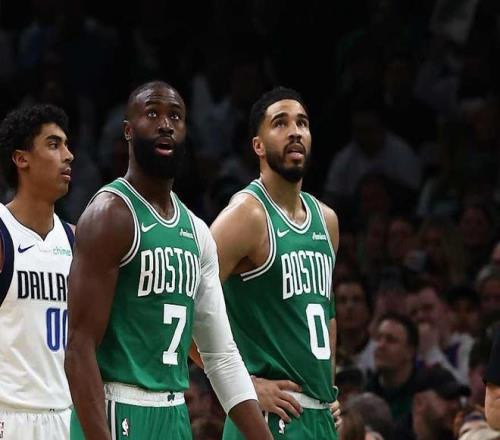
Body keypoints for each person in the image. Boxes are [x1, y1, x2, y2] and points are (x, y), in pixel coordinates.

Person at [65, 81, 271, 440]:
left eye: (175, 116)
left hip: (174, 413)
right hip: (118, 407)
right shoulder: (110, 215)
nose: (165, 124)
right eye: (152, 114)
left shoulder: (197, 231)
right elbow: (79, 348)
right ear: (128, 131)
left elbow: (220, 355)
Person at [208, 87, 340, 438]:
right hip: (268, 417)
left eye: (302, 123)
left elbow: (326, 313)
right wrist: (243, 384)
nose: (295, 131)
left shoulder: (327, 221)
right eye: (280, 123)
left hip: (320, 417)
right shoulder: (245, 216)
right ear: (258, 145)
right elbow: (187, 303)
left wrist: (329, 390)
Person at [0, 104, 75, 438]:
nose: (68, 156)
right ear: (21, 159)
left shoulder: (76, 240)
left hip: (66, 415)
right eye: (54, 144)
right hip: (10, 416)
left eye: (67, 145)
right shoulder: (3, 233)